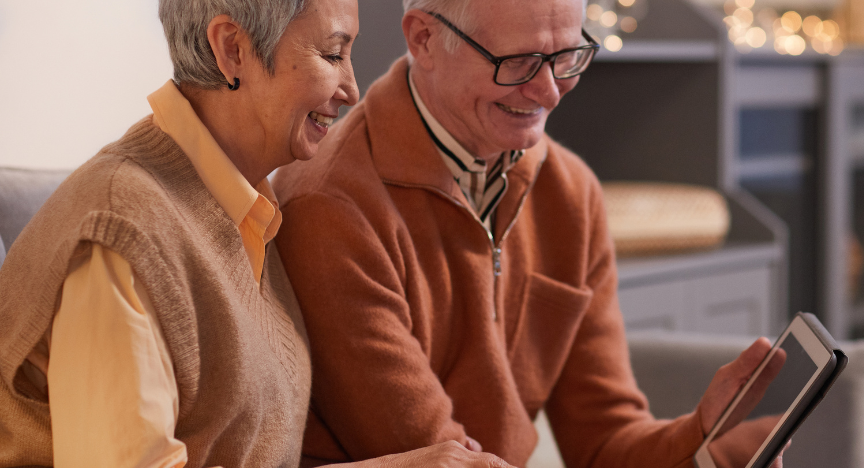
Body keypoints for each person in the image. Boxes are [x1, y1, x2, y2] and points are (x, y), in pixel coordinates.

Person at [271, 0, 785, 466]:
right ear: (423, 39)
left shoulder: (571, 193)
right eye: (515, 62)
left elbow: (605, 442)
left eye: (567, 57)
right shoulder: (333, 209)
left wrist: (702, 441)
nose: (549, 92)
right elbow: (435, 458)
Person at [0, 0, 510, 467]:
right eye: (333, 54)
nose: (352, 88)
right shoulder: (122, 233)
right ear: (233, 49)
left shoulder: (247, 204)